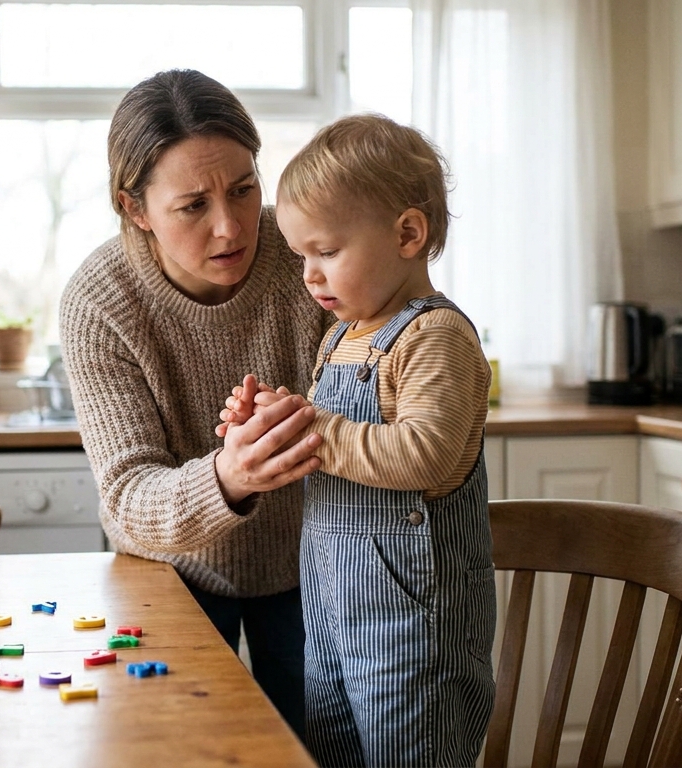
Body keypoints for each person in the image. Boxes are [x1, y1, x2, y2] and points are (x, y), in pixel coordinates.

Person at [58, 69, 334, 736]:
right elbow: (126, 495)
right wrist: (229, 476)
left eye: (244, 189)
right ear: (134, 208)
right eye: (192, 206)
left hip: (316, 567)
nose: (230, 227)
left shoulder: (308, 253)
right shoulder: (99, 301)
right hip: (170, 578)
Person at [220, 114, 496, 767]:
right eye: (300, 257)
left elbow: (425, 451)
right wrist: (268, 425)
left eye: (327, 252)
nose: (310, 276)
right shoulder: (343, 338)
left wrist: (312, 429)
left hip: (414, 632)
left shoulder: (435, 339)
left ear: (407, 234)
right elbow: (335, 444)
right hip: (333, 610)